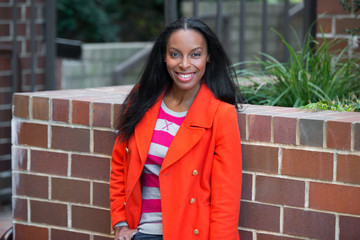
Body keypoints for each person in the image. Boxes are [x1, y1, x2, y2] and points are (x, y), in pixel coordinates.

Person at [110, 17, 243, 240]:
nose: (184, 64)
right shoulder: (142, 98)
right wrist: (120, 223)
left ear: (208, 56)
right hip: (140, 233)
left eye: (195, 54)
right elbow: (120, 164)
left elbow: (225, 199)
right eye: (175, 54)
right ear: (164, 56)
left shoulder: (221, 114)